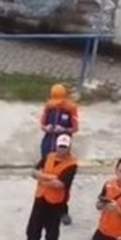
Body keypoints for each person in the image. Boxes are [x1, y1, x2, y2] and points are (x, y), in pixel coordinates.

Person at [17, 133, 78, 240]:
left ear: (69, 148)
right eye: (60, 146)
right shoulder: (49, 156)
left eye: (65, 147)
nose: (62, 149)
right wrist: (49, 177)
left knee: (52, 232)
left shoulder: (72, 165)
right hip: (41, 198)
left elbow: (60, 185)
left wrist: (41, 178)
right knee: (33, 227)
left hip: (56, 203)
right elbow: (34, 172)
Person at [39, 83, 80, 226]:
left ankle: (63, 211)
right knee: (45, 176)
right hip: (48, 143)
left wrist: (64, 129)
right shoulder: (49, 106)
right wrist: (46, 127)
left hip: (62, 144)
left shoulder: (71, 108)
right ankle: (43, 205)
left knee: (62, 183)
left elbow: (75, 128)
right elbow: (42, 123)